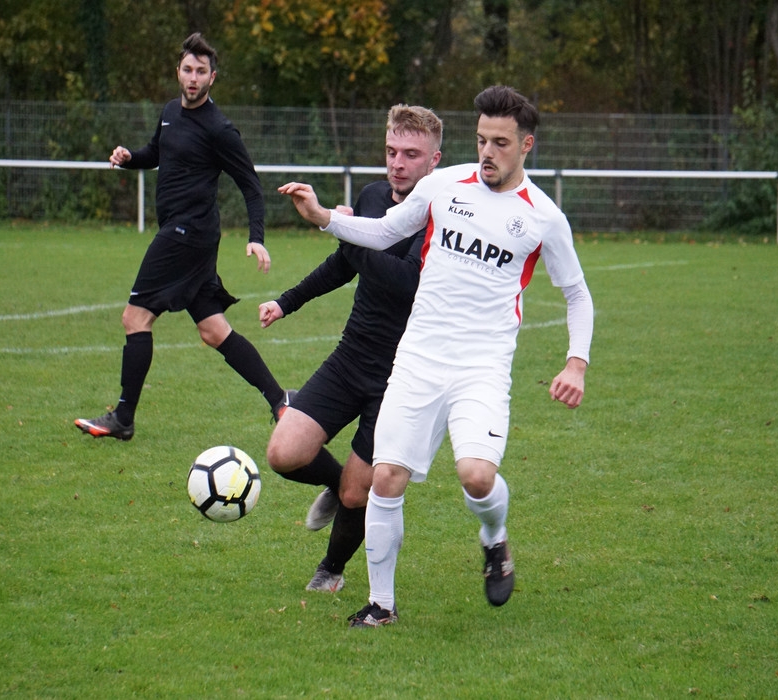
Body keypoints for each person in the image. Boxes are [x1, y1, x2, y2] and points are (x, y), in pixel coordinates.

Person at [278, 85, 594, 628]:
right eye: (481, 140)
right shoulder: (444, 185)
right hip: (418, 357)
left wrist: (576, 363)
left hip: (481, 366)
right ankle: (382, 605)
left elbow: (577, 293)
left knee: (475, 475)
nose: (488, 152)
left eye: (500, 142)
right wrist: (323, 216)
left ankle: (493, 538)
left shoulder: (543, 217)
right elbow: (381, 232)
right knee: (386, 479)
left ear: (526, 146)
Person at [259, 105, 443, 594]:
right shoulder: (373, 196)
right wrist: (286, 301)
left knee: (360, 491)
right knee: (284, 452)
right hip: (351, 356)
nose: (397, 163)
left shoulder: (443, 219)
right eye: (391, 151)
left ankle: (331, 570)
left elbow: (405, 282)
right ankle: (336, 487)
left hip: (400, 377)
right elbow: (345, 264)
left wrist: (338, 225)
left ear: (435, 161)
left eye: (411, 154)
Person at [75, 33, 291, 441]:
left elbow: (250, 185)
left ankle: (123, 418)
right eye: (188, 70)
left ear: (213, 77)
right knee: (213, 330)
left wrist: (257, 236)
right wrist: (129, 159)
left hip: (186, 234)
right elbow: (158, 153)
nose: (193, 78)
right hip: (188, 235)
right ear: (178, 72)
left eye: (201, 72)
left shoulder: (220, 129)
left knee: (134, 317)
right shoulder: (171, 111)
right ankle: (280, 399)